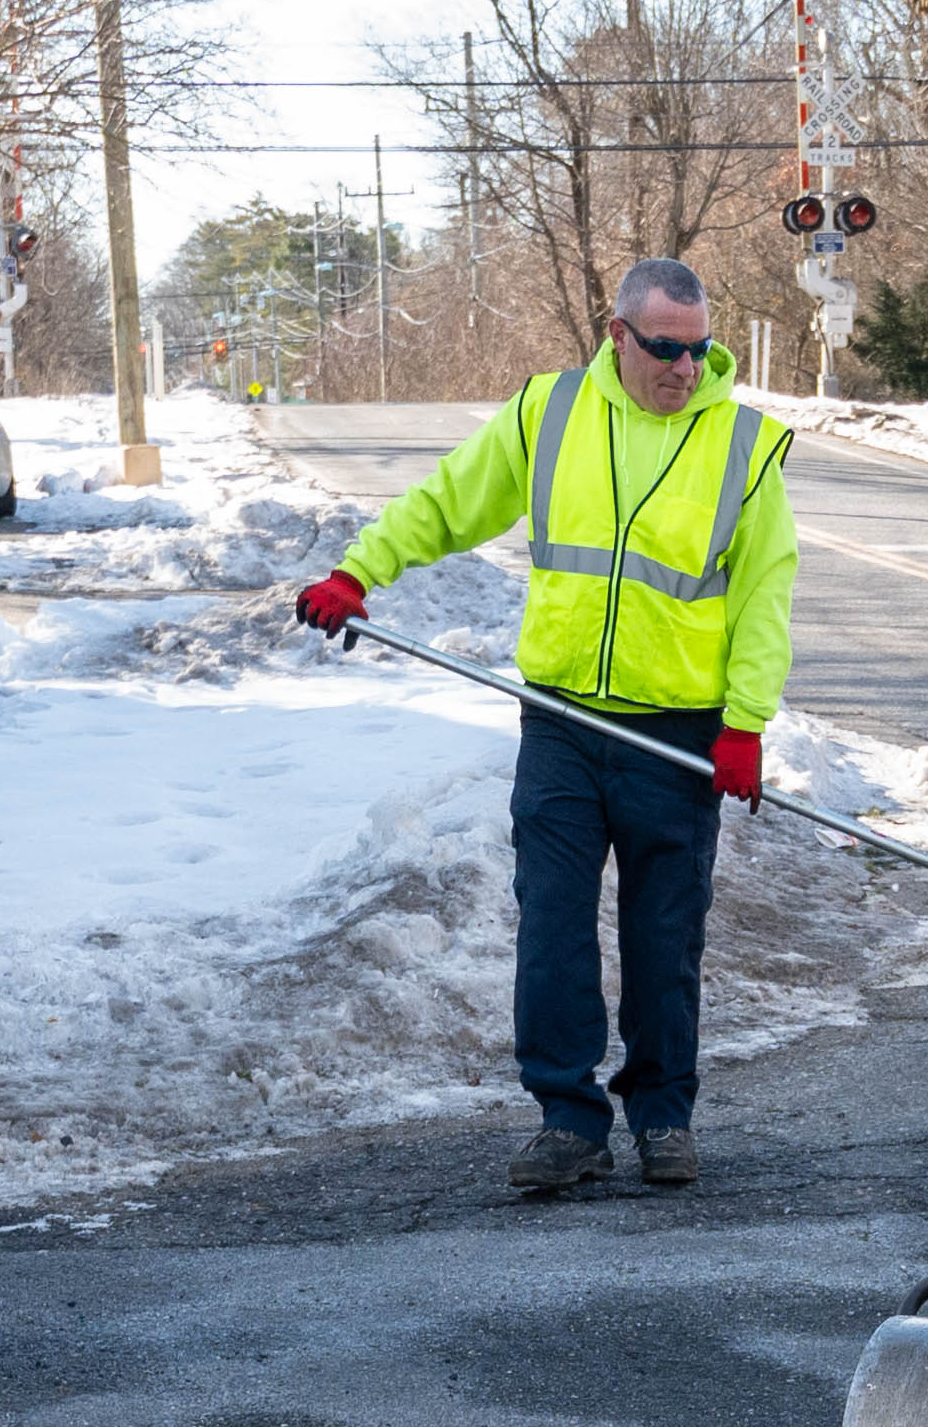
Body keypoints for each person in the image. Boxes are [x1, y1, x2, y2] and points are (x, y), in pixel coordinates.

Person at [293, 256, 795, 1196]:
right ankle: (568, 1118)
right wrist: (360, 572)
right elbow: (449, 502)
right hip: (562, 720)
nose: (685, 369)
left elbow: (766, 593)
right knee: (553, 925)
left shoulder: (742, 445)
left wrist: (744, 722)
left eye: (699, 350)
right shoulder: (551, 412)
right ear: (618, 335)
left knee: (664, 934)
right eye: (665, 349)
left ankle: (662, 1114)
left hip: (679, 734)